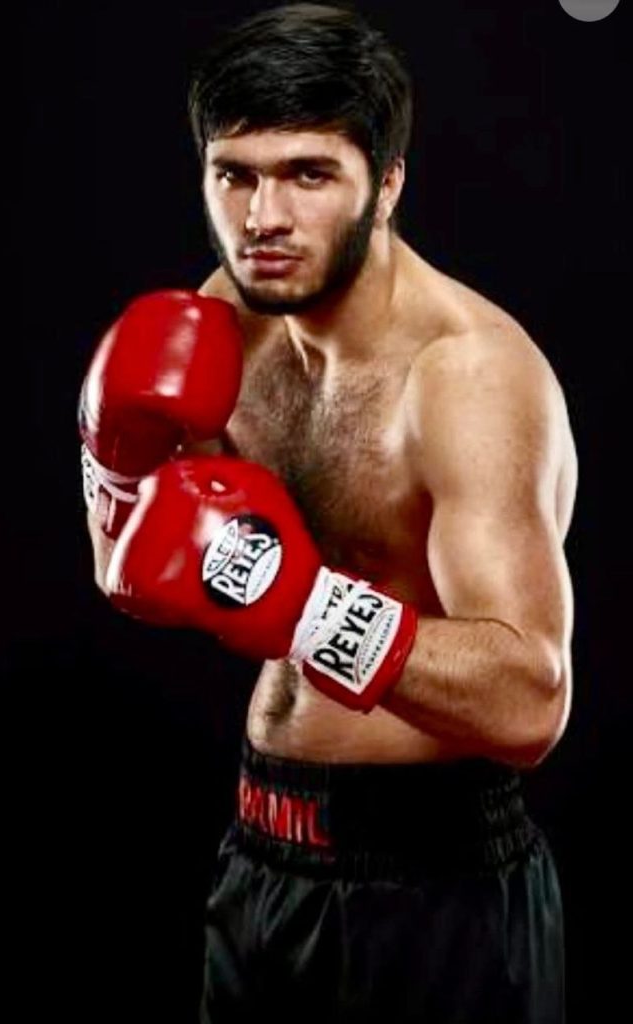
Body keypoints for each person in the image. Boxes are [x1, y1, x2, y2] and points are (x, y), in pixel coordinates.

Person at [80, 4, 577, 1022]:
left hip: (434, 890)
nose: (263, 216)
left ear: (385, 184)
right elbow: (126, 566)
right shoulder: (225, 319)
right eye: (235, 175)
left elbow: (530, 702)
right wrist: (114, 462)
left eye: (308, 175)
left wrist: (303, 605)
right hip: (260, 854)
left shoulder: (468, 378)